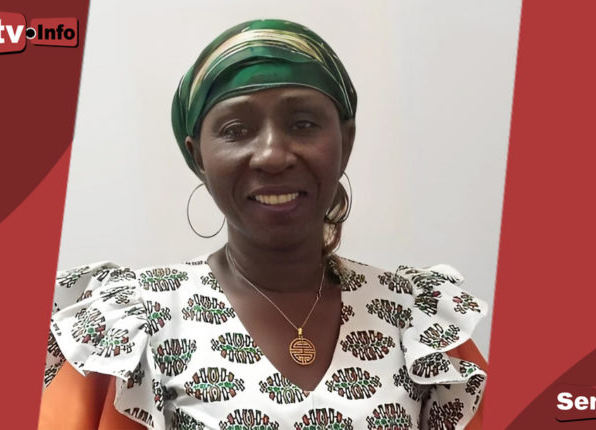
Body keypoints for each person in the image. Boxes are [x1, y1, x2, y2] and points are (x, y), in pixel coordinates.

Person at [39, 19, 488, 430]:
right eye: (236, 130)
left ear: (345, 142)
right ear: (198, 156)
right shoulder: (132, 326)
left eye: (303, 123)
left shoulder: (418, 322)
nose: (273, 155)